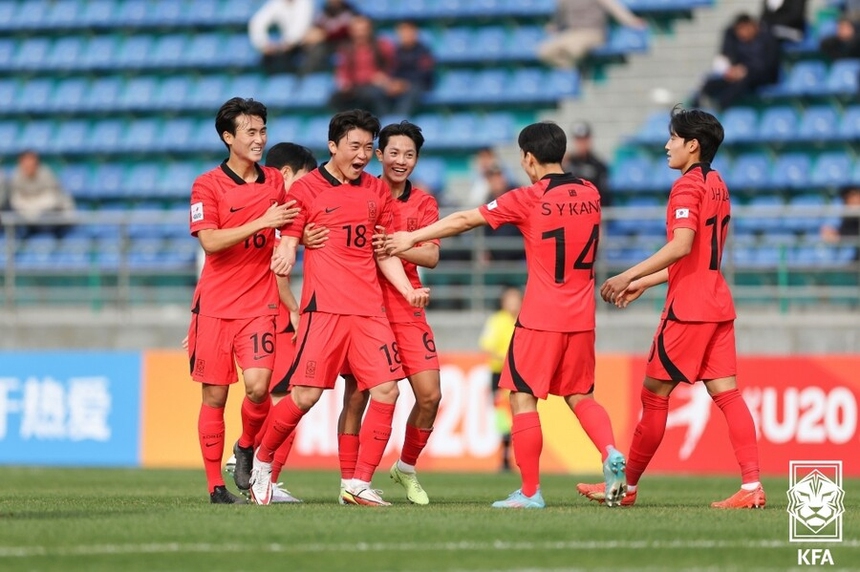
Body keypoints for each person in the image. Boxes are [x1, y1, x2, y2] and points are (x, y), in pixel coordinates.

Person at [386, 121, 627, 509]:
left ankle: (530, 492)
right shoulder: (591, 192)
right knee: (582, 395)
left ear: (528, 159)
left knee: (520, 398)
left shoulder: (529, 196)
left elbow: (466, 219)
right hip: (583, 316)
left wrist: (411, 237)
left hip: (541, 315)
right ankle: (610, 450)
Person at [577, 106, 765, 509]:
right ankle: (752, 487)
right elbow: (697, 257)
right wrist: (646, 282)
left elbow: (681, 246)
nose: (667, 145)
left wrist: (627, 275)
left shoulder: (685, 187)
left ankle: (624, 488)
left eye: (673, 139)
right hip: (718, 302)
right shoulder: (719, 184)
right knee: (728, 395)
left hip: (689, 309)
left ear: (692, 145)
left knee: (654, 396)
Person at [248, 109, 430, 507]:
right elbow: (290, 237)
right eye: (355, 146)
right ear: (333, 146)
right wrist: (286, 252)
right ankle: (260, 465)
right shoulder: (307, 190)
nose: (363, 154)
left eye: (368, 146)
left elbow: (383, 252)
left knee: (386, 391)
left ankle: (358, 483)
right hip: (325, 310)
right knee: (305, 397)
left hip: (369, 310)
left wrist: (406, 289)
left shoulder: (376, 191)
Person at [187, 97, 300, 504]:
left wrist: (289, 241)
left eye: (262, 131)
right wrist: (264, 222)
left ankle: (247, 446)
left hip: (258, 305)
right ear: (228, 137)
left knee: (258, 387)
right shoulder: (206, 185)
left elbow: (296, 217)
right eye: (250, 132)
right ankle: (215, 485)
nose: (259, 139)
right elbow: (211, 241)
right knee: (214, 397)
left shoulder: (274, 180)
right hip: (215, 307)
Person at [328, 120, 441, 505]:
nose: (401, 160)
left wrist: (395, 245)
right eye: (393, 152)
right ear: (379, 154)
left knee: (430, 396)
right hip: (363, 305)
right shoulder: (363, 192)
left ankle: (405, 468)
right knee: (358, 394)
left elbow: (431, 255)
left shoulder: (424, 202)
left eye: (409, 155)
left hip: (408, 306)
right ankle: (352, 481)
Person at [695, 13, 780, 110]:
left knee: (742, 82)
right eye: (739, 30)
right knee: (711, 82)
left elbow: (769, 65)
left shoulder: (768, 39)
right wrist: (734, 71)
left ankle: (720, 107)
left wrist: (745, 71)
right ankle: (695, 107)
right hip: (742, 74)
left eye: (743, 28)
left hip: (763, 76)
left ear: (752, 26)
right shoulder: (737, 41)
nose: (741, 33)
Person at [478, 285, 522, 472]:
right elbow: (487, 346)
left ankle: (521, 457)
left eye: (516, 299)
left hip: (519, 373)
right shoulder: (496, 321)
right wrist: (506, 359)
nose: (513, 303)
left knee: (520, 414)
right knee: (503, 416)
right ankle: (505, 458)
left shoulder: (525, 319)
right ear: (503, 302)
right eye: (510, 299)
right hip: (500, 374)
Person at [538, 0, 647, 70]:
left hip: (593, 32)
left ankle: (574, 73)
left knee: (573, 49)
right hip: (572, 32)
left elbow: (616, 9)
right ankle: (566, 69)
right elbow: (559, 17)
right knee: (544, 50)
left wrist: (631, 21)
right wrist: (555, 26)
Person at [327, 15, 395, 116]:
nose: (360, 33)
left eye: (364, 30)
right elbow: (342, 71)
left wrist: (385, 77)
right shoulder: (346, 49)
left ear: (370, 30)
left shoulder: (381, 46)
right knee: (335, 98)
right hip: (355, 87)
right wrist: (344, 83)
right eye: (357, 30)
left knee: (372, 95)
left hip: (376, 86)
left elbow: (393, 65)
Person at [7, 150, 75, 238]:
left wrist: (34, 207)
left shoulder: (46, 174)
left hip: (46, 214)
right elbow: (15, 199)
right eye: (25, 163)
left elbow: (52, 199)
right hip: (26, 215)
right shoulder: (16, 175)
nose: (28, 166)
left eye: (31, 163)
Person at [248, 0, 314, 74]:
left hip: (303, 45)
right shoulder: (276, 3)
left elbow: (300, 27)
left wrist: (286, 43)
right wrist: (263, 44)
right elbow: (257, 22)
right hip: (285, 46)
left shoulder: (305, 2)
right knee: (266, 60)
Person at [386, 20, 435, 117]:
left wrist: (405, 84)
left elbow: (425, 74)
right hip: (398, 85)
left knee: (412, 90)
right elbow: (391, 71)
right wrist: (392, 83)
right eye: (402, 32)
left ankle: (400, 120)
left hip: (419, 85)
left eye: (408, 31)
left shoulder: (424, 51)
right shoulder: (395, 51)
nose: (405, 35)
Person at [301, 0, 360, 73]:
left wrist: (325, 34)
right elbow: (317, 27)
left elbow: (347, 30)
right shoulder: (323, 11)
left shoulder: (350, 11)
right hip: (327, 44)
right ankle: (306, 78)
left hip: (344, 43)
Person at [563, 121, 611, 207]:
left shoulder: (599, 165)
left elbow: (604, 196)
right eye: (578, 140)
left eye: (584, 139)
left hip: (591, 211)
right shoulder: (566, 163)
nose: (582, 144)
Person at [821, 185, 860, 259]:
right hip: (848, 249)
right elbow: (827, 233)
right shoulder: (839, 208)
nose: (855, 199)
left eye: (857, 194)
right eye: (851, 195)